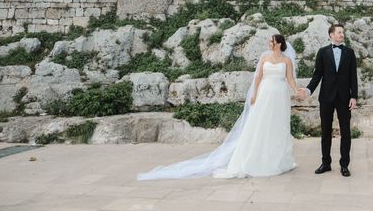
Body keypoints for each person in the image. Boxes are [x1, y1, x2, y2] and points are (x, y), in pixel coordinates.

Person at [137, 34, 302, 180]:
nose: (269, 43)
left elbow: (290, 79)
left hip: (280, 95)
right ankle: (255, 158)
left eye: (271, 41)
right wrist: (254, 94)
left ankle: (276, 158)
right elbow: (258, 77)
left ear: (279, 43)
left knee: (276, 126)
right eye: (269, 41)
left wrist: (297, 90)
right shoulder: (265, 58)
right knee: (260, 124)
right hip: (265, 93)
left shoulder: (286, 60)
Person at [300, 23, 358, 177]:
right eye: (339, 32)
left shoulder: (350, 52)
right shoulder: (323, 52)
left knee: (345, 132)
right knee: (325, 132)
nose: (342, 34)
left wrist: (354, 96)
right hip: (326, 97)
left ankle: (344, 165)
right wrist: (308, 89)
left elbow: (353, 76)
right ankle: (326, 163)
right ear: (331, 34)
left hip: (344, 98)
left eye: (343, 32)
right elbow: (317, 74)